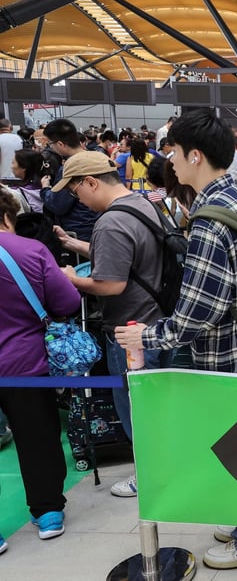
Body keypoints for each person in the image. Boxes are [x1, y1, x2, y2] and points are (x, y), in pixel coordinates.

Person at [113, 109, 237, 570]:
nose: (170, 162)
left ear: (195, 155)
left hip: (226, 352)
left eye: (173, 153)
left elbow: (197, 314)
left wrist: (146, 335)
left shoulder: (211, 216)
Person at [51, 151, 174, 499]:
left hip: (128, 330)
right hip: (160, 323)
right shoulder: (143, 204)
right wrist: (79, 245)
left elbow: (111, 284)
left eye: (76, 193)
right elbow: (130, 259)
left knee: (136, 408)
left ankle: (148, 475)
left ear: (90, 182)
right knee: (161, 405)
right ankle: (167, 467)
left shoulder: (109, 222)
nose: (79, 201)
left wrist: (72, 278)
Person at [0, 189, 80, 547]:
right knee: (38, 437)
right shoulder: (31, 251)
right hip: (26, 363)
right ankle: (48, 511)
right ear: (9, 216)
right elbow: (68, 301)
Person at [40, 119, 100, 243]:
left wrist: (45, 188)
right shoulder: (99, 158)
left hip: (78, 230)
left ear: (60, 144)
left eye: (51, 143)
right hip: (99, 226)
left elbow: (58, 205)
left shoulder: (70, 167)